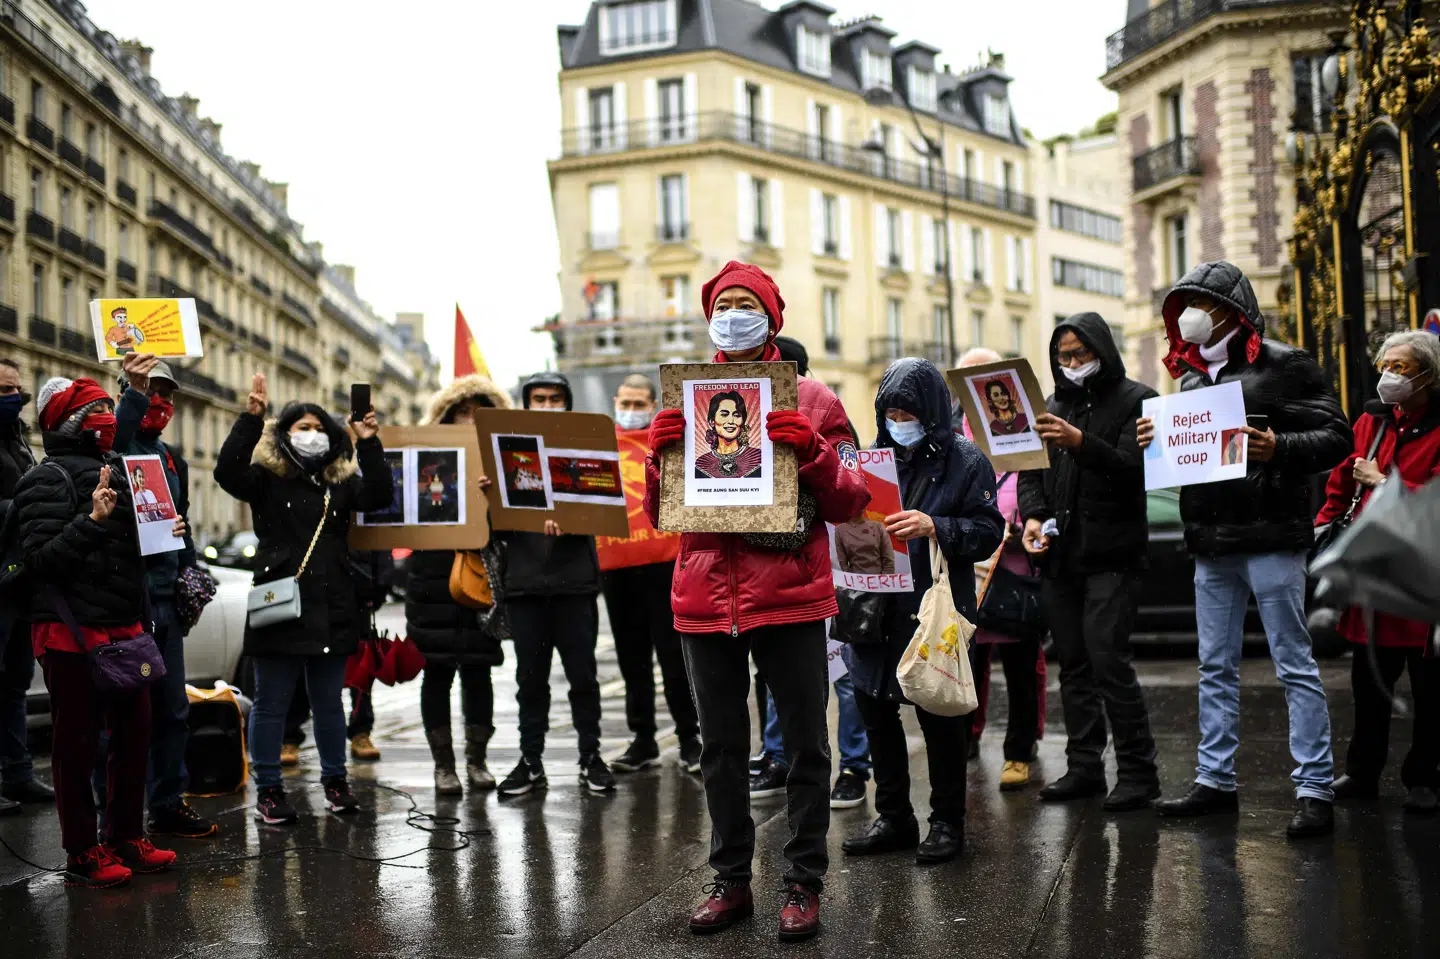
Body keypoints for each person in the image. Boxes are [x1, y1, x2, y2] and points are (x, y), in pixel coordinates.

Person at [644, 261, 869, 941]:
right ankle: (732, 880)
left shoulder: (817, 398)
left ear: (774, 316)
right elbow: (663, 514)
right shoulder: (684, 399)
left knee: (806, 745)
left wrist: (816, 456)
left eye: (747, 302)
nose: (734, 312)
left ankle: (803, 883)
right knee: (720, 748)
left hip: (791, 596)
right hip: (704, 598)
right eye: (724, 303)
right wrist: (660, 461)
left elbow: (855, 499)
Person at [1141, 261, 1352, 838]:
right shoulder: (1188, 380)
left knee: (1293, 662)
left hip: (1271, 538)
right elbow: (1190, 459)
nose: (1188, 316)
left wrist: (1276, 447)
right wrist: (1155, 443)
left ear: (1228, 309)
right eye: (1181, 304)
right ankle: (1214, 781)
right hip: (1211, 541)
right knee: (1214, 665)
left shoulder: (1285, 364)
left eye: (1199, 304)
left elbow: (1338, 436)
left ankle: (1313, 789)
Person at [841, 358, 1004, 865]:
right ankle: (893, 817)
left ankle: (947, 822)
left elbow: (988, 531)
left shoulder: (966, 459)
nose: (898, 420)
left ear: (930, 412)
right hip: (872, 607)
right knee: (875, 710)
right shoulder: (869, 459)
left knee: (939, 714)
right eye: (889, 411)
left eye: (908, 412)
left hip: (932, 608)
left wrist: (937, 526)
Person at [14, 377, 176, 886]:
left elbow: (127, 554)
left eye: (110, 405)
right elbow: (40, 560)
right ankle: (82, 850)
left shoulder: (123, 472)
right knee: (76, 745)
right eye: (98, 407)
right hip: (69, 632)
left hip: (123, 626)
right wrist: (91, 520)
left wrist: (165, 533)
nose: (109, 414)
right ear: (71, 423)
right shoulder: (45, 479)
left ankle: (125, 834)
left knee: (134, 735)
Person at [214, 373, 393, 825]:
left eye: (318, 427)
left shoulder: (342, 483)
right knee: (272, 701)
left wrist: (369, 442)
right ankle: (269, 789)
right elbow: (226, 473)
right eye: (301, 427)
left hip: (333, 606)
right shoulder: (266, 480)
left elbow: (381, 494)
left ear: (332, 436)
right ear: (285, 434)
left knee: (329, 702)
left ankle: (336, 782)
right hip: (280, 605)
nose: (311, 435)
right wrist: (250, 420)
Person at [1017, 314, 1161, 811]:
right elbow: (1030, 472)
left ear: (1102, 349)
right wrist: (1034, 518)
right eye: (1064, 356)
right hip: (1063, 556)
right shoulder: (1053, 405)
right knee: (1073, 664)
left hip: (1113, 554)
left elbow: (1135, 468)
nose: (1073, 364)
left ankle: (1139, 773)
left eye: (1081, 353)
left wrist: (1080, 442)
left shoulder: (1137, 400)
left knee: (1108, 661)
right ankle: (1084, 767)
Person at [750, 337, 873, 812]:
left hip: (832, 566)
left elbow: (850, 487)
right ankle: (778, 757)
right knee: (778, 675)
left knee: (842, 673)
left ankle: (853, 767)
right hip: (781, 571)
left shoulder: (824, 413)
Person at [1320, 331, 1440, 812]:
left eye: (1402, 367)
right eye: (1385, 364)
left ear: (1429, 375)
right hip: (1372, 573)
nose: (1389, 374)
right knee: (1368, 685)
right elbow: (1341, 476)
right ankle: (1361, 772)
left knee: (1431, 687)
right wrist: (1325, 521)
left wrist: (1386, 481)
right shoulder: (1371, 421)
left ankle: (1424, 777)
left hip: (1423, 576)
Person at [106, 353, 217, 838]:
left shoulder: (174, 458)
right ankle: (115, 809)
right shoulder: (115, 446)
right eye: (152, 392)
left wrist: (189, 571)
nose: (161, 402)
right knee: (123, 715)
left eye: (167, 394)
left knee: (173, 711)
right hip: (127, 603)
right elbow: (115, 439)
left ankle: (169, 801)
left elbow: (181, 522)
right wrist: (131, 389)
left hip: (166, 605)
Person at [494, 371, 615, 797]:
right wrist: (485, 497)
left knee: (583, 677)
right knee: (530, 681)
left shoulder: (585, 448)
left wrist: (574, 520)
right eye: (538, 398)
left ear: (567, 401)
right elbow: (491, 526)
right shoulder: (505, 453)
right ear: (525, 403)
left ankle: (590, 756)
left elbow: (604, 506)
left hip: (574, 582)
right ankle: (530, 761)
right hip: (525, 585)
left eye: (555, 398)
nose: (547, 405)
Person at [408, 374, 511, 794]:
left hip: (480, 579)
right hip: (431, 581)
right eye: (460, 414)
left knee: (478, 671)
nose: (469, 422)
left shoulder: (502, 464)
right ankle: (443, 766)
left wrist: (495, 498)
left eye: (477, 415)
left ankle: (477, 762)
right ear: (444, 419)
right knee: (436, 674)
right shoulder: (424, 462)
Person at [599, 373, 701, 775]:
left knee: (674, 654)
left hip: (666, 561)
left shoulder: (670, 441)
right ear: (614, 399)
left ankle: (689, 736)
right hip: (615, 566)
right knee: (631, 658)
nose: (631, 410)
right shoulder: (599, 444)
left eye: (640, 404)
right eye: (625, 402)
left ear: (653, 404)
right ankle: (642, 739)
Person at [954, 346, 1045, 786]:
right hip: (969, 577)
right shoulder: (953, 435)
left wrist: (1023, 522)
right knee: (967, 667)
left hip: (1013, 573)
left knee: (1021, 668)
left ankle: (1018, 752)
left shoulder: (1024, 430)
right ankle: (967, 739)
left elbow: (1036, 487)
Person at [0, 358, 51, 815]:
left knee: (14, 684)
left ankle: (17, 773)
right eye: (2, 389)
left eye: (16, 389)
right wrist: (21, 507)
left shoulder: (19, 441)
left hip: (19, 582)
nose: (12, 397)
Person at [694, 391, 762, 479]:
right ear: (712, 422)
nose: (731, 421)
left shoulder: (758, 457)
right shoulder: (702, 463)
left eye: (737, 415)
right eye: (724, 414)